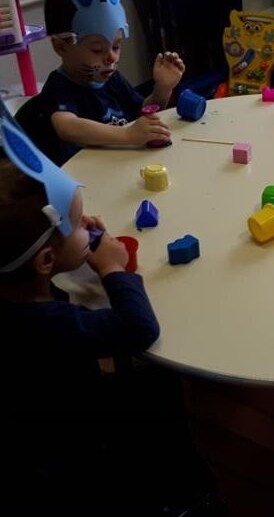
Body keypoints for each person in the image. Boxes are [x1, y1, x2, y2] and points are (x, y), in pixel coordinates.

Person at [1, 116, 224, 516]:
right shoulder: (48, 325)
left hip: (40, 410)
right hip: (69, 446)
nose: (88, 226)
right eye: (77, 227)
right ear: (45, 261)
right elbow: (139, 328)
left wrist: (73, 246)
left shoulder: (16, 291)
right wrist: (111, 268)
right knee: (159, 388)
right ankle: (184, 499)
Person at [19, 0, 184, 166]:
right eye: (97, 50)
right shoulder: (60, 87)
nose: (111, 58)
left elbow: (142, 113)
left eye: (116, 46)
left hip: (121, 164)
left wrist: (162, 88)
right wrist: (128, 135)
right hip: (86, 174)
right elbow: (67, 127)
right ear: (60, 46)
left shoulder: (112, 79)